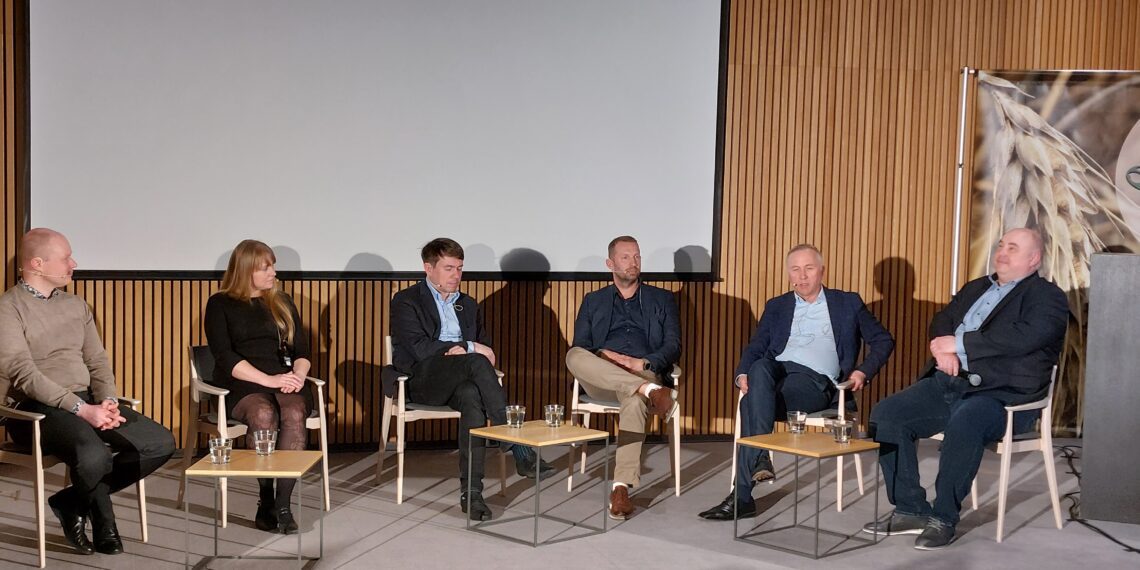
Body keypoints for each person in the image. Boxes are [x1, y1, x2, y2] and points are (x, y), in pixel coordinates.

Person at [863, 228, 1068, 550]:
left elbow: (1025, 337)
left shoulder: (1047, 296)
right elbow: (943, 320)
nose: (1002, 252)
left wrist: (959, 344)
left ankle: (943, 517)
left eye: (1012, 248)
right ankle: (910, 509)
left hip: (1002, 395)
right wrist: (943, 350)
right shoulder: (976, 287)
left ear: (1034, 259)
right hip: (948, 383)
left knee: (965, 422)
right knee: (887, 415)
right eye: (1001, 245)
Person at [0, 228, 176, 555]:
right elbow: (23, 374)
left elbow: (97, 360)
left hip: (87, 401)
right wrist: (82, 409)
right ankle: (105, 524)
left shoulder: (76, 305)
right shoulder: (9, 308)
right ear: (37, 264)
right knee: (93, 454)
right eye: (66, 257)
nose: (74, 263)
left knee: (158, 443)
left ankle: (70, 503)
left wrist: (107, 401)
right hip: (34, 410)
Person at [699, 243, 894, 520]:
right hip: (776, 378)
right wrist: (742, 373)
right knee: (760, 367)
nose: (802, 277)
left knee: (751, 404)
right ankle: (757, 464)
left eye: (809, 269)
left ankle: (743, 493)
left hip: (815, 384)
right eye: (795, 270)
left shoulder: (847, 302)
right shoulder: (777, 306)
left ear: (822, 272)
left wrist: (862, 372)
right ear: (789, 273)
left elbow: (883, 340)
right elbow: (757, 347)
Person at [388, 238, 553, 521]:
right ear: (428, 268)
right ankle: (516, 442)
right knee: (474, 362)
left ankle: (472, 495)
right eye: (449, 268)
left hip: (460, 380)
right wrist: (465, 348)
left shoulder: (468, 304)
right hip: (422, 379)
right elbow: (418, 348)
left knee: (471, 397)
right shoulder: (406, 300)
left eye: (460, 268)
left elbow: (486, 351)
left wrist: (467, 349)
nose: (456, 275)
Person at [566, 235, 682, 520]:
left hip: (643, 370)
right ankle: (651, 391)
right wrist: (609, 357)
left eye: (637, 256)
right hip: (604, 379)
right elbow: (581, 344)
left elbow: (673, 344)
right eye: (626, 257)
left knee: (633, 401)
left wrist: (644, 361)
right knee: (573, 356)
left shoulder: (662, 299)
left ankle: (620, 489)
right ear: (610, 263)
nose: (634, 263)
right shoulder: (594, 301)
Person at [205, 239, 313, 534]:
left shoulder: (282, 302)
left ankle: (283, 505)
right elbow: (225, 357)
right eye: (266, 267)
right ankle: (265, 499)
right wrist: (268, 380)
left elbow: (303, 352)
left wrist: (298, 377)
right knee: (264, 413)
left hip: (285, 379)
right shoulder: (220, 303)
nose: (273, 273)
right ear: (245, 270)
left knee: (293, 411)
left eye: (273, 266)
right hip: (242, 382)